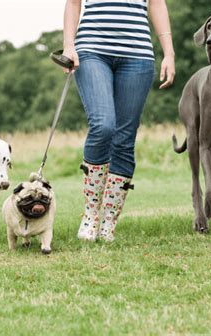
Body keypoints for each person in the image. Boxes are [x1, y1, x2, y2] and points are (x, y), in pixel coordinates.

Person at [62, 0, 175, 242]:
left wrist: (169, 52)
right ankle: (91, 213)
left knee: (124, 138)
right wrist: (68, 45)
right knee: (103, 125)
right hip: (92, 51)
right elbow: (73, 4)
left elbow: (157, 4)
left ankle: (108, 220)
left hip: (137, 56)